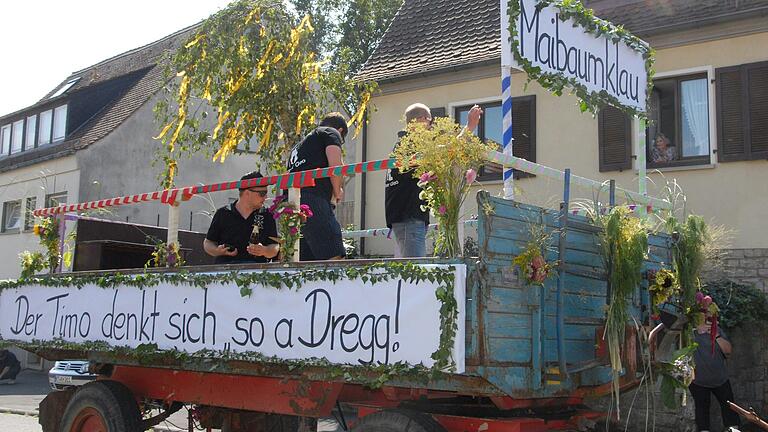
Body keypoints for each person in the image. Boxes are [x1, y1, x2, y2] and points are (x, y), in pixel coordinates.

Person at [384, 103, 483, 257]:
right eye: (429, 121)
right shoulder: (410, 144)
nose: (431, 127)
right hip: (408, 218)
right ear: (420, 120)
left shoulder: (402, 144)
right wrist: (469, 126)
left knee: (412, 271)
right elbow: (446, 151)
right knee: (415, 272)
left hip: (406, 217)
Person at [286, 112, 347, 261]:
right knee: (333, 254)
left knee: (304, 257)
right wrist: (337, 190)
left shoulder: (300, 146)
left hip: (291, 201)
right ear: (340, 131)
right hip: (313, 198)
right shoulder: (330, 132)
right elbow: (335, 165)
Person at [204, 171, 279, 264]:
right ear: (247, 193)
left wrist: (264, 250)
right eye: (262, 193)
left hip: (256, 271)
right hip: (226, 270)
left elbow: (275, 246)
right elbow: (208, 243)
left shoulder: (267, 215)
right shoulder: (223, 213)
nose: (266, 197)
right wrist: (217, 251)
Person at [689, 320, 741, 432]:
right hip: (698, 381)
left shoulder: (717, 330)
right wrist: (696, 329)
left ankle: (733, 429)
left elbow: (728, 351)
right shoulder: (688, 332)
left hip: (720, 378)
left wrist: (715, 334)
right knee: (702, 410)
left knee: (729, 407)